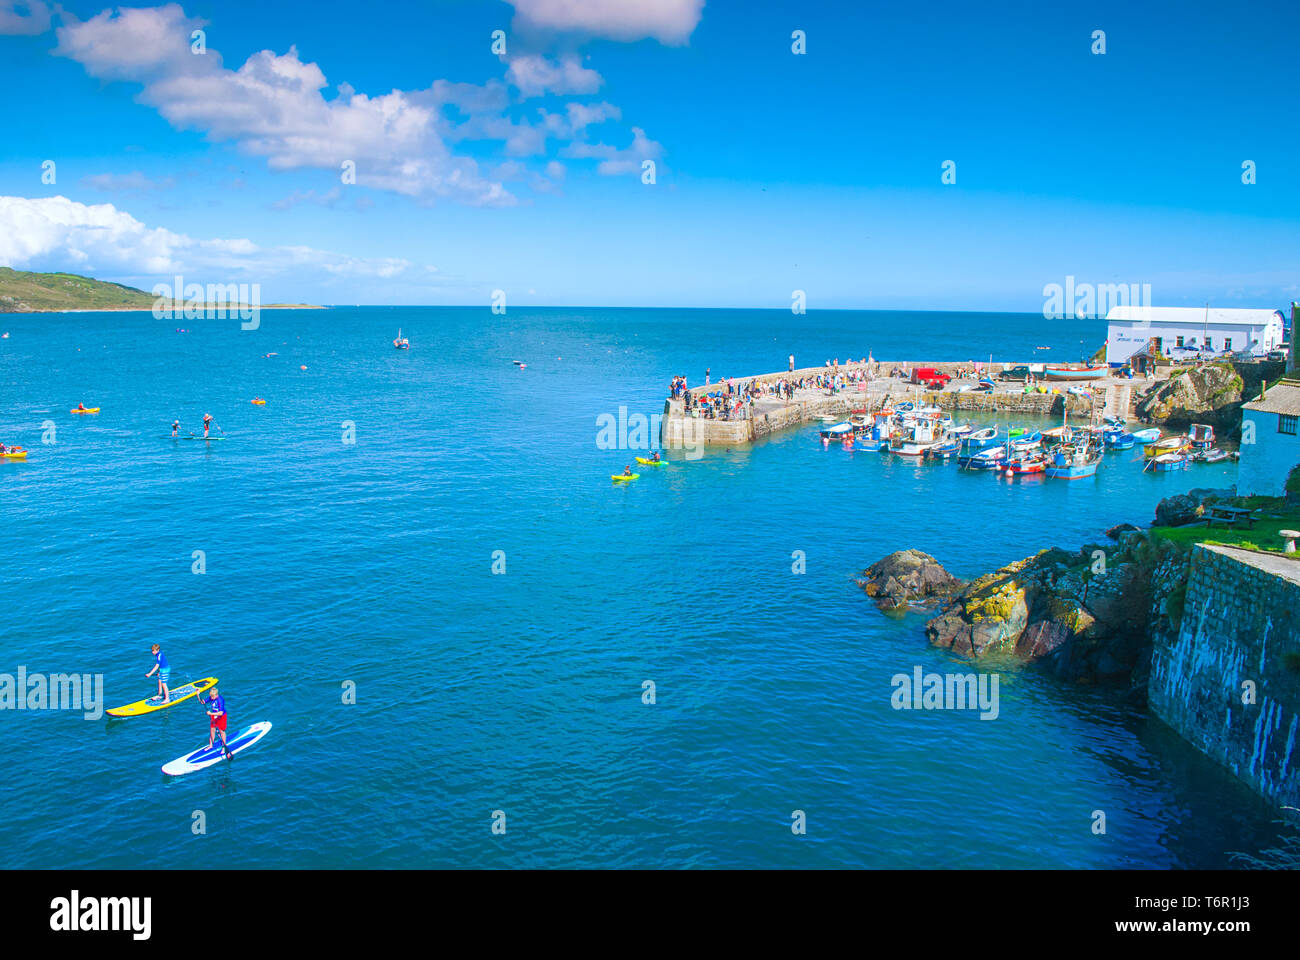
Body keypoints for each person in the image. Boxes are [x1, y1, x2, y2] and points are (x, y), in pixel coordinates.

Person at [198, 686, 233, 758]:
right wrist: (198, 694)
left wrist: (211, 714)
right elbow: (202, 702)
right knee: (212, 730)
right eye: (211, 696)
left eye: (213, 696)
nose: (211, 698)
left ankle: (224, 746)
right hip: (214, 716)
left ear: (216, 695)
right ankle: (211, 745)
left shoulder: (220, 700)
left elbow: (221, 712)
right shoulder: (211, 697)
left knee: (221, 731)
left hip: (221, 717)